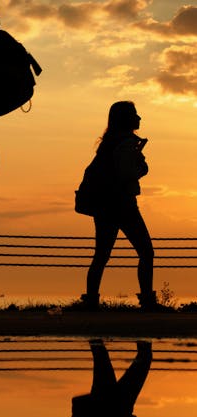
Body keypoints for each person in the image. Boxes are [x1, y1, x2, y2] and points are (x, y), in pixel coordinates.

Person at [76, 101, 156, 310]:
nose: (139, 118)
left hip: (104, 205)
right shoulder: (126, 144)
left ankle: (91, 300)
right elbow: (126, 174)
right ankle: (147, 300)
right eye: (135, 114)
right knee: (146, 252)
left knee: (101, 254)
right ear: (126, 119)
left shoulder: (108, 143)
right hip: (123, 204)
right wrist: (142, 167)